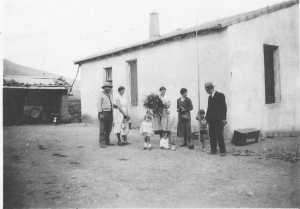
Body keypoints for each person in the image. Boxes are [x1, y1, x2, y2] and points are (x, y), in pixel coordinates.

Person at [205, 82, 227, 156]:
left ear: (211, 88)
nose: (207, 91)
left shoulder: (220, 95)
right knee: (212, 135)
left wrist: (224, 118)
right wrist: (206, 119)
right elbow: (209, 109)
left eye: (207, 90)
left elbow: (224, 107)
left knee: (219, 135)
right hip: (211, 120)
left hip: (219, 119)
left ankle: (223, 151)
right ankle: (213, 150)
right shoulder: (209, 97)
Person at [97, 81, 116, 148]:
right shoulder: (101, 95)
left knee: (109, 128)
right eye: (107, 87)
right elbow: (99, 105)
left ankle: (107, 141)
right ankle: (102, 143)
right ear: (104, 88)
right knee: (103, 128)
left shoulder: (110, 95)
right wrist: (100, 113)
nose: (108, 88)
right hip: (103, 113)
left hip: (110, 113)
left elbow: (111, 103)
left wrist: (114, 106)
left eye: (109, 87)